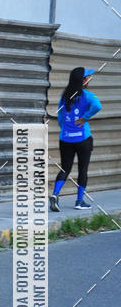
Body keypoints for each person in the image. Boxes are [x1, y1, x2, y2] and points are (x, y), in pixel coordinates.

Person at [50, 67, 101, 212]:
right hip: (83, 139)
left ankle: (55, 195)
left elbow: (60, 117)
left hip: (65, 139)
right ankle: (79, 201)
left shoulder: (64, 96)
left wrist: (66, 129)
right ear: (83, 81)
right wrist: (85, 117)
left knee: (65, 168)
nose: (89, 79)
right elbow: (97, 106)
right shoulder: (87, 95)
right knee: (82, 169)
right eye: (88, 77)